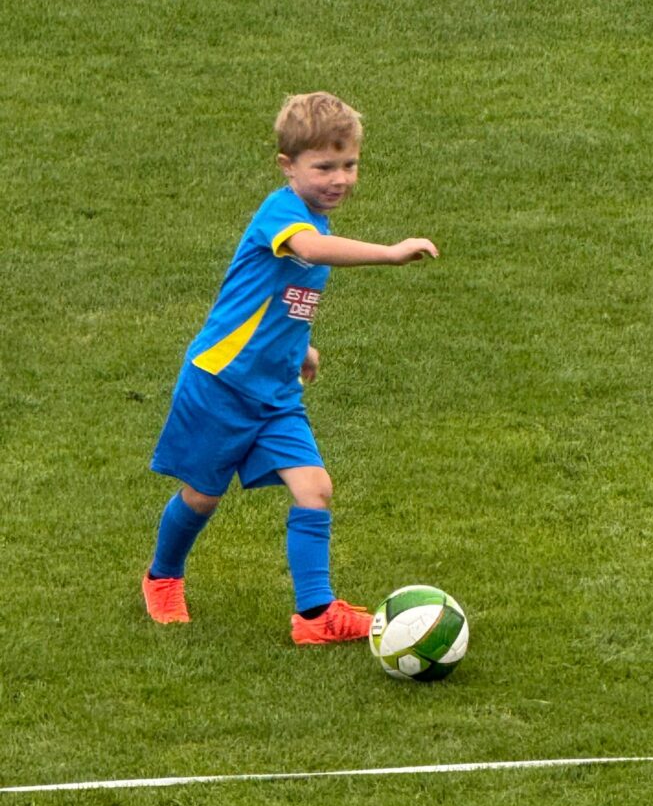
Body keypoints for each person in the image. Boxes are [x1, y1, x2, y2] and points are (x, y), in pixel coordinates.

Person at [142, 91, 439, 643]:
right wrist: (391, 252)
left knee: (315, 488)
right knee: (203, 495)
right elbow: (309, 251)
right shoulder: (284, 215)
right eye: (323, 167)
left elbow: (282, 300)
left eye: (349, 164)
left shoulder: (317, 223)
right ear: (288, 165)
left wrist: (301, 349)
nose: (340, 179)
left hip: (276, 392)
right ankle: (162, 577)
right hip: (222, 383)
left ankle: (315, 616)